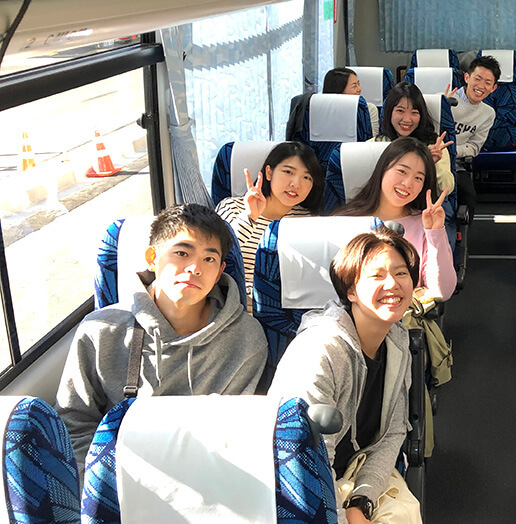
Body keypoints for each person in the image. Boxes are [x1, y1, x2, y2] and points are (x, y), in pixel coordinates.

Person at [56, 204, 267, 467]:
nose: (195, 268)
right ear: (152, 258)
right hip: (116, 475)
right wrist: (101, 485)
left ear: (219, 273)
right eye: (182, 253)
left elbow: (236, 434)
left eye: (209, 259)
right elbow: (75, 424)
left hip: (206, 474)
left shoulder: (246, 339)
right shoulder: (100, 330)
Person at [269, 227, 422, 524]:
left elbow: (392, 433)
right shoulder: (321, 351)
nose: (392, 284)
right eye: (376, 276)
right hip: (307, 483)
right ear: (350, 291)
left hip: (357, 472)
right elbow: (306, 456)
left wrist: (362, 501)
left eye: (401, 273)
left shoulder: (398, 341)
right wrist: (340, 516)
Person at [335, 137, 456, 301]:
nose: (408, 183)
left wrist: (435, 233)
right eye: (402, 171)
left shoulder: (425, 225)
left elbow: (442, 292)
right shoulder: (344, 221)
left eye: (418, 178)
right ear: (383, 169)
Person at [215, 141, 324, 307]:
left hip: (285, 310)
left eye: (306, 177)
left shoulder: (309, 221)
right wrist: (249, 217)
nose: (296, 184)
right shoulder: (232, 208)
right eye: (288, 172)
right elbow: (218, 255)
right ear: (269, 172)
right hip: (235, 306)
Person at [375, 82, 455, 194]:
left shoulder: (434, 145)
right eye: (400, 111)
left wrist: (431, 163)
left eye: (414, 113)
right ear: (389, 112)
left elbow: (447, 189)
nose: (407, 119)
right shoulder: (375, 145)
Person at [450, 55, 499, 163]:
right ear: (467, 78)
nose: (481, 86)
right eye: (477, 79)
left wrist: (451, 151)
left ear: (493, 88)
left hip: (457, 161)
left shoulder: (488, 113)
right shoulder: (445, 99)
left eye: (487, 83)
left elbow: (474, 146)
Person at [324, 67, 380, 138]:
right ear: (339, 90)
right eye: (354, 86)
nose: (359, 89)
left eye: (358, 84)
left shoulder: (368, 109)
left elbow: (371, 140)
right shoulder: (321, 110)